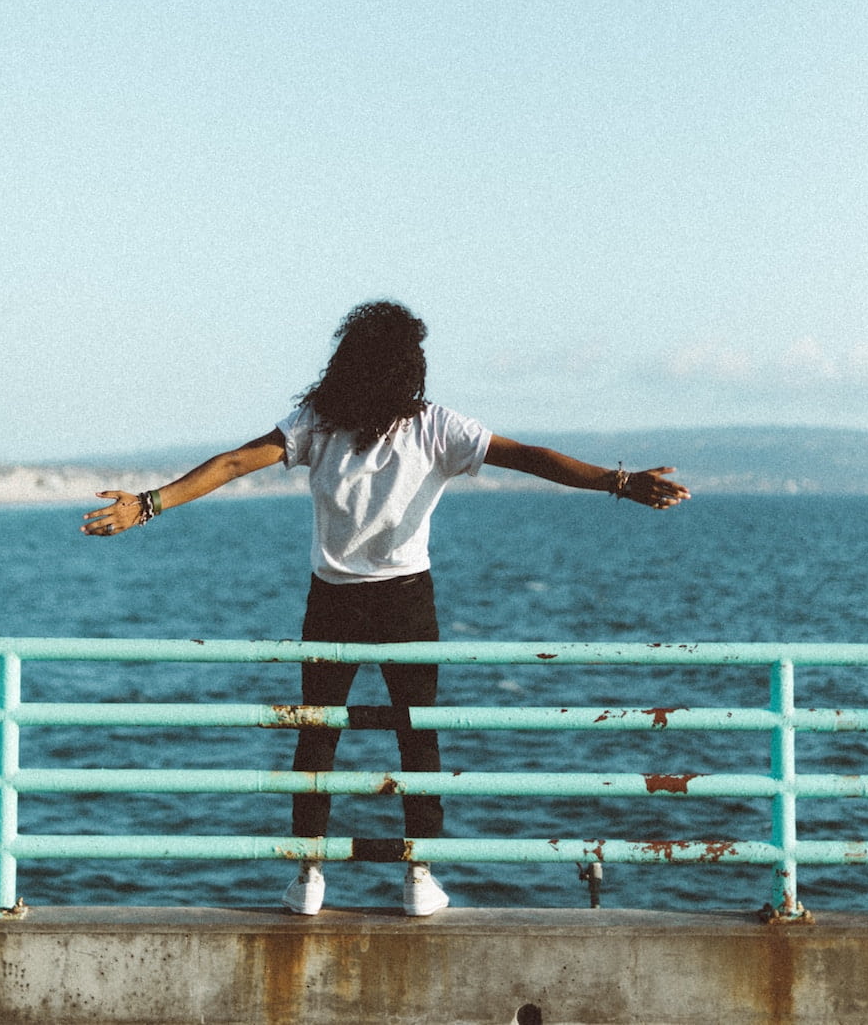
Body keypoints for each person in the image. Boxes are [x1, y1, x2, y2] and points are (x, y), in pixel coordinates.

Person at [82, 299, 689, 916]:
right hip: (405, 601)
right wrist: (617, 482)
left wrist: (149, 504)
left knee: (316, 738)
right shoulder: (432, 426)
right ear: (411, 366)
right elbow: (527, 456)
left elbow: (237, 462)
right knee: (417, 738)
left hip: (333, 600)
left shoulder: (318, 421)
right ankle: (419, 877)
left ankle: (309, 877)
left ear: (346, 360)